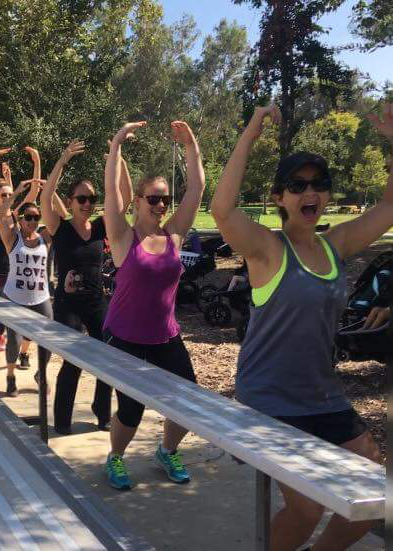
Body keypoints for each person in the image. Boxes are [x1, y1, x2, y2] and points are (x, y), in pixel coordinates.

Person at [211, 102, 393, 551]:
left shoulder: (336, 246)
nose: (309, 193)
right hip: (270, 399)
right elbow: (222, 209)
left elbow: (390, 205)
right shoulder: (267, 249)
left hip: (322, 395)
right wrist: (250, 133)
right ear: (279, 198)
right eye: (297, 186)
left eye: (319, 184)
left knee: (375, 496)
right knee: (308, 507)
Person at [103, 119, 205, 489]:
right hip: (125, 335)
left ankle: (167, 450)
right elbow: (111, 196)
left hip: (165, 335)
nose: (161, 204)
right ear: (138, 201)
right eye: (153, 198)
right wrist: (116, 146)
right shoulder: (122, 237)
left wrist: (191, 147)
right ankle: (115, 458)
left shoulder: (175, 234)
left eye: (164, 198)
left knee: (187, 398)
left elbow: (197, 188)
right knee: (131, 408)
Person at [41, 139, 133, 434]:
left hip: (96, 301)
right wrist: (63, 159)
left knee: (107, 356)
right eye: (81, 198)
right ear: (69, 201)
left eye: (91, 199)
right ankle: (63, 419)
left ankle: (102, 412)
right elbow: (45, 196)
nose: (87, 204)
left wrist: (119, 161)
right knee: (73, 361)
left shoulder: (102, 226)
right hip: (67, 303)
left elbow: (126, 198)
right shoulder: (60, 228)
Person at [0, 148, 41, 370]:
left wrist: (37, 161)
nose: (6, 198)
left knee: (25, 316)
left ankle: (24, 354)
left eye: (9, 194)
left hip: (15, 274)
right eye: (2, 195)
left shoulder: (16, 213)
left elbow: (33, 190)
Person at [0, 190, 53, 397]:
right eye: (28, 217)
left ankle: (41, 374)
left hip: (40, 297)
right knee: (15, 340)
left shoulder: (45, 237)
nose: (32, 221)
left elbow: (61, 216)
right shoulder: (12, 238)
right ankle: (11, 377)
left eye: (36, 217)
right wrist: (18, 190)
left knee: (49, 339)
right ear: (20, 220)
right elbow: (2, 213)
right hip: (14, 298)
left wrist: (50, 192)